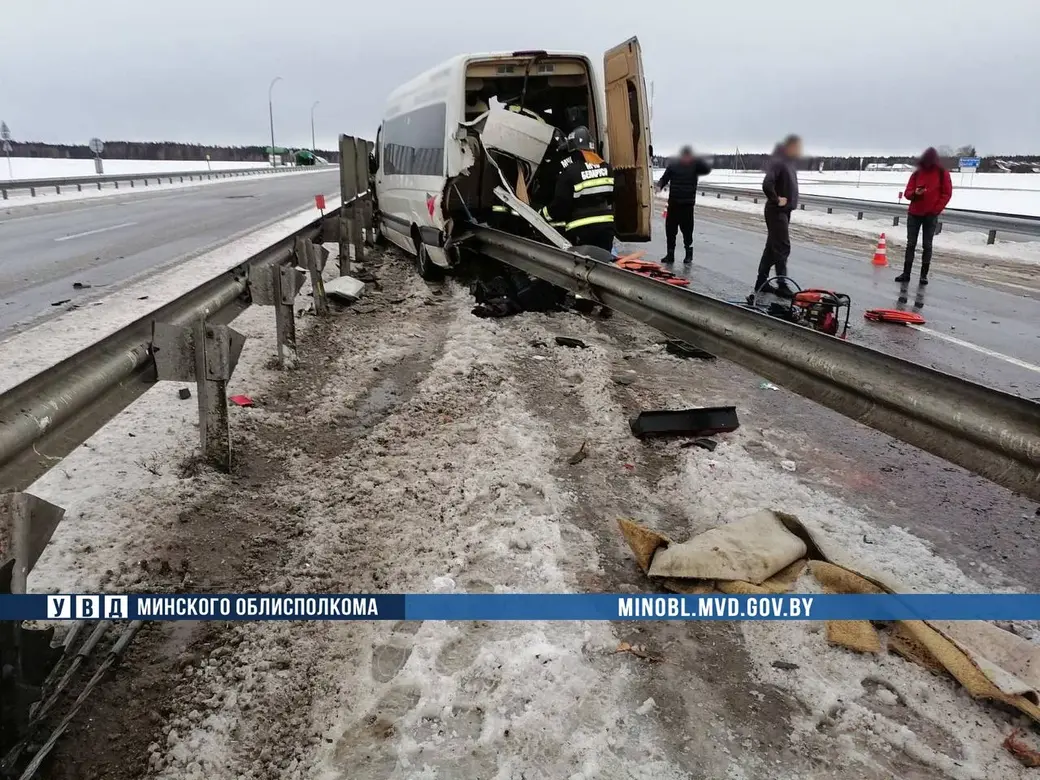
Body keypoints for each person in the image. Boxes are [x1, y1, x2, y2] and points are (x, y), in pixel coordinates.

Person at [541, 126, 614, 251]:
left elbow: (561, 204)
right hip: (606, 227)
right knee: (603, 263)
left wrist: (543, 214)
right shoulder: (607, 168)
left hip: (581, 230)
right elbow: (612, 197)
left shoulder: (570, 171)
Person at [754, 134, 802, 297]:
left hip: (784, 212)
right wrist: (776, 199)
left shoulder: (788, 162)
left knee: (771, 248)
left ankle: (761, 282)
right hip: (776, 212)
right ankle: (782, 284)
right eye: (796, 146)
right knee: (782, 246)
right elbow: (767, 184)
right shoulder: (779, 161)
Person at [897, 147, 952, 285]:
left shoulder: (942, 173)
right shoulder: (917, 174)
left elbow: (947, 193)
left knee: (927, 245)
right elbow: (907, 193)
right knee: (911, 244)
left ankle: (923, 275)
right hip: (914, 213)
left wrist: (935, 210)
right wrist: (915, 193)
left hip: (930, 215)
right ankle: (906, 273)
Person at [655, 145, 712, 264]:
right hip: (674, 203)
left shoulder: (695, 166)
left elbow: (707, 169)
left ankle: (688, 255)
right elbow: (665, 178)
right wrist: (659, 185)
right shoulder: (674, 165)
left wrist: (697, 160)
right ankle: (670, 255)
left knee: (687, 232)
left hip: (687, 205)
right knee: (670, 231)